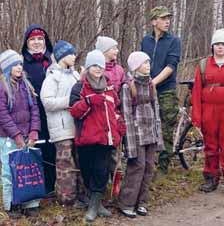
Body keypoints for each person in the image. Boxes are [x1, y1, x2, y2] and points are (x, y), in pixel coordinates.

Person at [70, 49, 125, 222]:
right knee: (87, 171)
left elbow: (115, 110)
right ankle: (95, 203)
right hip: (86, 139)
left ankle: (94, 206)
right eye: (94, 65)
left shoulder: (109, 87)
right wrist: (88, 102)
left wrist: (120, 125)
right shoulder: (79, 87)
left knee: (102, 171)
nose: (98, 69)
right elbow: (74, 112)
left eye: (100, 65)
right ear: (87, 67)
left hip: (105, 139)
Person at [118, 51, 164, 218]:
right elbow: (127, 116)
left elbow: (156, 111)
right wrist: (129, 146)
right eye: (144, 63)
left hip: (150, 133)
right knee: (137, 167)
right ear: (136, 66)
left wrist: (158, 137)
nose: (148, 65)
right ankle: (126, 203)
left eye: (148, 62)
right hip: (136, 135)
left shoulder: (151, 85)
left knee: (149, 167)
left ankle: (142, 202)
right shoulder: (127, 87)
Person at [192, 28, 224, 196]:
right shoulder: (204, 65)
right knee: (210, 147)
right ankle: (211, 178)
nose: (220, 47)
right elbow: (196, 92)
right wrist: (196, 116)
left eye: (223, 44)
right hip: (209, 112)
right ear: (212, 46)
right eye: (217, 44)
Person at [0, 50, 41, 217]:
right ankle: (11, 204)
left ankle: (30, 202)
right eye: (15, 64)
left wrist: (33, 132)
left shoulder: (26, 85)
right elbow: (2, 114)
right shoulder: (2, 87)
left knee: (29, 168)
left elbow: (35, 110)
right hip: (8, 138)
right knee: (10, 171)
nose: (19, 67)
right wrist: (16, 136)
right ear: (7, 67)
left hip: (27, 136)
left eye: (20, 64)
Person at [141, 6, 181, 174]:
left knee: (165, 128)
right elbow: (141, 62)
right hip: (148, 88)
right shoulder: (146, 41)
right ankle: (149, 164)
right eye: (163, 18)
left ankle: (163, 166)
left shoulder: (174, 41)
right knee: (148, 125)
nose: (167, 21)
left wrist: (154, 82)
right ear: (154, 21)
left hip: (166, 91)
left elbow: (171, 66)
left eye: (168, 18)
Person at [40, 40, 81, 205]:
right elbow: (47, 102)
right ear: (62, 56)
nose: (74, 56)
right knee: (65, 165)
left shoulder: (75, 75)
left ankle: (80, 195)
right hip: (60, 129)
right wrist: (69, 101)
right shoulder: (52, 77)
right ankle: (66, 199)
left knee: (79, 161)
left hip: (76, 127)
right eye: (71, 53)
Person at [21, 24, 56, 194]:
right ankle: (36, 187)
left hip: (54, 114)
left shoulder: (52, 60)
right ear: (27, 43)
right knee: (37, 150)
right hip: (33, 116)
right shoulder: (22, 63)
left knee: (53, 149)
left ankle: (52, 187)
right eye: (32, 39)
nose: (36, 42)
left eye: (39, 39)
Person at [95, 36, 126, 193]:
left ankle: (116, 181)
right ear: (105, 51)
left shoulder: (119, 70)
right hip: (99, 117)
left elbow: (123, 91)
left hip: (115, 115)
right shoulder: (96, 69)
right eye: (113, 48)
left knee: (115, 151)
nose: (117, 51)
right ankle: (101, 184)